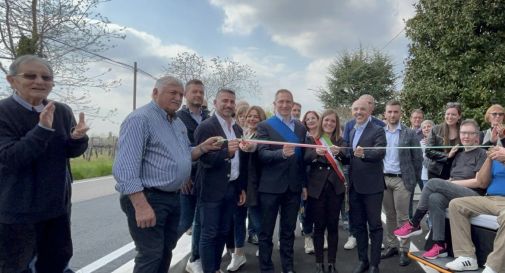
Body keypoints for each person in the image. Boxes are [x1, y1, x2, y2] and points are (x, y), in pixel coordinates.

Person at [113, 76, 220, 273]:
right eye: (173, 93)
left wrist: (202, 148)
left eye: (180, 94)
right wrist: (141, 205)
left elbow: (184, 154)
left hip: (172, 198)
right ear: (155, 92)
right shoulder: (140, 119)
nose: (178, 98)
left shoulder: (176, 123)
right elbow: (125, 169)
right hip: (149, 197)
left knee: (165, 251)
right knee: (150, 255)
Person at [0, 54, 89, 273]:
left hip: (56, 211)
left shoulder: (62, 111)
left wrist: (78, 139)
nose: (39, 81)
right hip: (16, 215)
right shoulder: (3, 112)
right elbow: (10, 158)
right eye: (30, 75)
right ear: (12, 80)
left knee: (56, 266)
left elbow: (68, 152)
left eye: (46, 77)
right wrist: (41, 130)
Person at [394, 119, 487, 260]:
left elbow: (479, 182)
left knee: (432, 183)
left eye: (470, 133)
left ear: (477, 136)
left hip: (474, 195)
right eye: (463, 133)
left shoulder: (482, 154)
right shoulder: (458, 154)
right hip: (457, 191)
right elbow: (452, 176)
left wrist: (453, 184)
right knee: (434, 198)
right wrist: (450, 181)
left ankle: (414, 223)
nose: (466, 136)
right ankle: (439, 245)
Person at [194, 89, 249, 273]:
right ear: (215, 103)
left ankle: (216, 268)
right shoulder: (206, 127)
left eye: (232, 101)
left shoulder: (237, 128)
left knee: (224, 231)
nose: (229, 104)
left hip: (231, 188)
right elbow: (204, 160)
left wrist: (241, 187)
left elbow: (240, 163)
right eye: (224, 101)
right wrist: (227, 153)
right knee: (209, 234)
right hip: (211, 190)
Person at [256, 89, 308, 273]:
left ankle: (288, 267)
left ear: (293, 104)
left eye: (288, 102)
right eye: (281, 102)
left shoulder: (301, 128)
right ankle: (266, 267)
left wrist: (303, 185)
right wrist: (281, 154)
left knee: (288, 232)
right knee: (266, 232)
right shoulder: (265, 126)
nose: (285, 105)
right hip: (270, 187)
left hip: (293, 188)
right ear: (275, 104)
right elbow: (261, 154)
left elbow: (301, 161)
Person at [445, 146, 505, 273]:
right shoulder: (499, 153)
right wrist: (489, 158)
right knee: (456, 205)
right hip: (491, 198)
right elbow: (482, 182)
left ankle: (494, 267)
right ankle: (467, 257)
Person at [379, 101, 423, 267]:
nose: (392, 115)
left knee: (403, 216)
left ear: (400, 113)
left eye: (395, 112)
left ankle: (404, 249)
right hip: (384, 179)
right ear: (385, 113)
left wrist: (412, 180)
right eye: (389, 112)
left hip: (402, 180)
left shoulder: (409, 133)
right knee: (389, 215)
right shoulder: (380, 132)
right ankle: (392, 246)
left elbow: (417, 159)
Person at [304, 109, 348, 273]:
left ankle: (331, 262)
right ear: (322, 122)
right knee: (318, 227)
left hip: (335, 189)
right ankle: (318, 263)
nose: (329, 123)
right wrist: (315, 153)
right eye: (326, 120)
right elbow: (304, 158)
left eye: (333, 121)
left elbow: (347, 158)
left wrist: (340, 153)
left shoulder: (341, 141)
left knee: (333, 226)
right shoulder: (312, 140)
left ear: (336, 124)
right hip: (317, 189)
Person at [347, 99, 387, 273]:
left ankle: (374, 264)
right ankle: (363, 260)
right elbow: (350, 156)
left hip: (372, 187)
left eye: (362, 109)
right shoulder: (351, 130)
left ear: (369, 110)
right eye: (355, 109)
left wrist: (364, 154)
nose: (358, 112)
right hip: (354, 187)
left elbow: (380, 152)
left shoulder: (378, 130)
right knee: (358, 226)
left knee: (375, 226)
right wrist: (338, 152)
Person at [176, 79, 209, 273]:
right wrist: (184, 176)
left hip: (206, 177)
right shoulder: (177, 118)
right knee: (184, 221)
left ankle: (195, 258)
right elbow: (177, 150)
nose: (198, 95)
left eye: (201, 92)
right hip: (188, 178)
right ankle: (160, 253)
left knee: (201, 221)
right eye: (194, 92)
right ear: (186, 95)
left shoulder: (208, 117)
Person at [243, 106, 267, 256]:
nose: (252, 119)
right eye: (249, 116)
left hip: (258, 183)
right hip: (245, 182)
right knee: (253, 216)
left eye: (256, 116)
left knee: (259, 218)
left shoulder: (262, 136)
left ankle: (265, 247)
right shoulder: (245, 134)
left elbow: (256, 152)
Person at [425, 102, 462, 180]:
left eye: (453, 114)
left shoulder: (463, 130)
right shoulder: (435, 129)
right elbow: (428, 151)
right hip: (436, 171)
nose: (450, 117)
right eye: (447, 114)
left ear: (459, 116)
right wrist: (447, 155)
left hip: (457, 171)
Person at [301, 110, 320, 254]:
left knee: (322, 209)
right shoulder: (302, 138)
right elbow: (302, 159)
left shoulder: (325, 136)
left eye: (314, 118)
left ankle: (321, 235)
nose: (311, 121)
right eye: (308, 119)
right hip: (307, 178)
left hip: (323, 178)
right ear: (305, 122)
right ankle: (308, 237)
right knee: (307, 211)